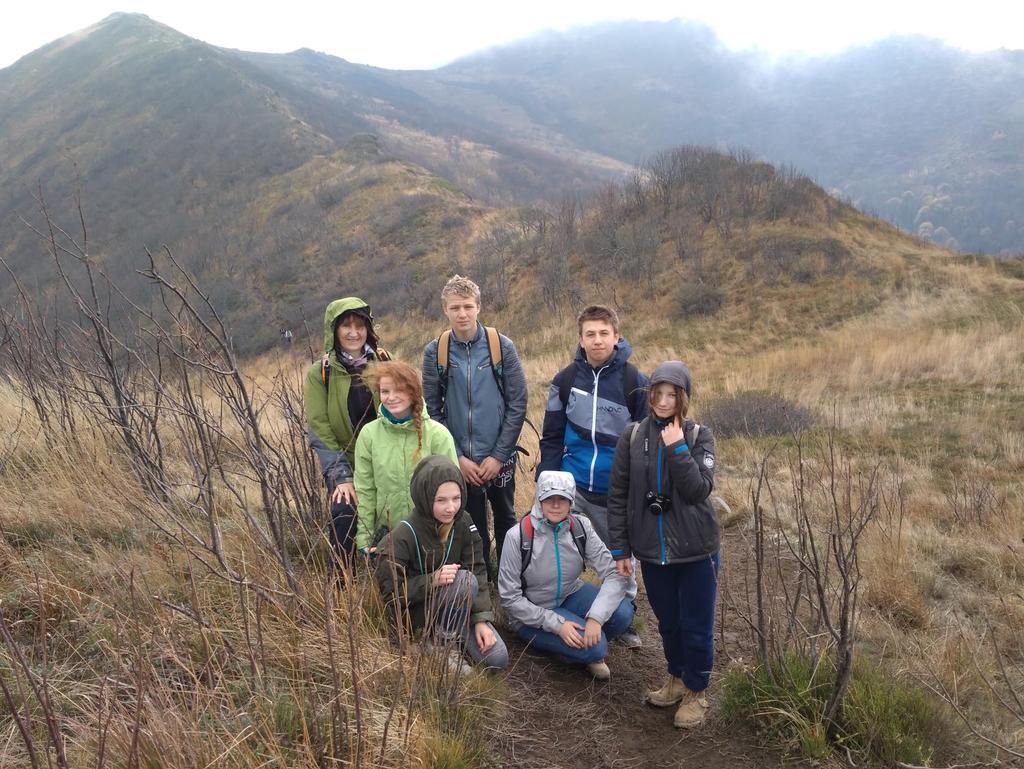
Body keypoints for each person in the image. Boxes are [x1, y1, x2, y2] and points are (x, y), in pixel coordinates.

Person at [607, 361, 720, 729]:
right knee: (669, 622)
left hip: (696, 549)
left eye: (673, 394)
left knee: (696, 624)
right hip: (652, 551)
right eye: (659, 392)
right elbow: (619, 494)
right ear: (650, 393)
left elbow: (698, 490)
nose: (664, 400)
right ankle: (675, 678)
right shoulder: (632, 435)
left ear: (683, 398)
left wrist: (676, 448)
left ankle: (696, 691)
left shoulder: (699, 435)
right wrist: (621, 550)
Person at [537, 304, 648, 648]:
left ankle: (624, 614)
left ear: (616, 336)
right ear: (580, 339)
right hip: (573, 486)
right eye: (590, 334)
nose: (597, 340)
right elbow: (552, 436)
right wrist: (548, 480)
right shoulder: (565, 380)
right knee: (553, 546)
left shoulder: (635, 383)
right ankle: (547, 604)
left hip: (616, 491)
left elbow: (645, 443)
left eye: (604, 333)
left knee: (620, 556)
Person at [423, 275, 528, 578]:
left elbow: (517, 403)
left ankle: (512, 579)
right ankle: (482, 584)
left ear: (479, 306)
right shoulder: (436, 351)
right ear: (446, 310)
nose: (462, 314)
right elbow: (432, 410)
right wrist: (457, 457)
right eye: (455, 307)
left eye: (468, 306)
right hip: (462, 462)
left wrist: (498, 455)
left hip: (500, 458)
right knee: (472, 524)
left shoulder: (500, 346)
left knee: (507, 519)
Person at [498, 470, 634, 680]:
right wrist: (557, 625)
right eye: (549, 498)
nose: (555, 505)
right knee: (597, 648)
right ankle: (574, 645)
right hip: (532, 611)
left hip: (570, 594)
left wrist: (596, 619)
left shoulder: (580, 527)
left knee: (624, 613)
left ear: (571, 502)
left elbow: (615, 574)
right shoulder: (518, 536)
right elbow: (509, 599)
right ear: (539, 499)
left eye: (562, 499)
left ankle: (576, 640)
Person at [376, 455, 509, 670]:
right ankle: (439, 644)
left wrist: (481, 619)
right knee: (465, 581)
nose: (451, 508)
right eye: (441, 500)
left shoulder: (463, 521)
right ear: (425, 498)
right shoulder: (402, 535)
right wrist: (431, 581)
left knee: (497, 660)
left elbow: (477, 567)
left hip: (457, 608)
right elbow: (391, 595)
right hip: (418, 615)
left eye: (456, 498)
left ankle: (453, 635)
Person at [304, 298, 389, 560]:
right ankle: (343, 587)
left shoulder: (385, 362)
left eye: (360, 325)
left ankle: (395, 587)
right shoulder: (321, 374)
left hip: (384, 458)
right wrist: (341, 476)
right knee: (344, 515)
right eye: (346, 326)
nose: (354, 332)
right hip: (346, 464)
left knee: (392, 520)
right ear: (334, 330)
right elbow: (319, 428)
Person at [354, 361, 458, 553]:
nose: (391, 397)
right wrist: (364, 537)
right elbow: (365, 490)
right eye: (385, 391)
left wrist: (446, 535)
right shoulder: (369, 435)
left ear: (413, 392)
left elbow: (454, 491)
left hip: (431, 536)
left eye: (399, 390)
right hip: (388, 536)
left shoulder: (438, 435)